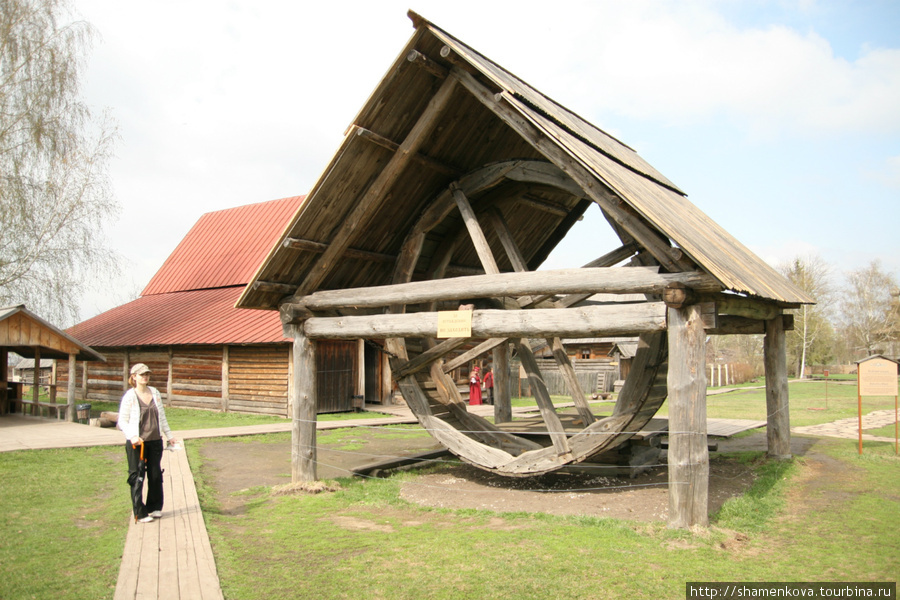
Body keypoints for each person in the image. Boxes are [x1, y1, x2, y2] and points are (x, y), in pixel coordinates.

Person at [118, 363, 177, 523]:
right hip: (138, 444)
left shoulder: (155, 393)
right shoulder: (130, 396)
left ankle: (155, 507)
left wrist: (169, 435)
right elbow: (122, 421)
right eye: (142, 374)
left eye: (147, 374)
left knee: (156, 475)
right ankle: (140, 512)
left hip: (155, 441)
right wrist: (132, 436)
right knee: (137, 477)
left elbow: (162, 416)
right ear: (134, 377)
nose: (145, 377)